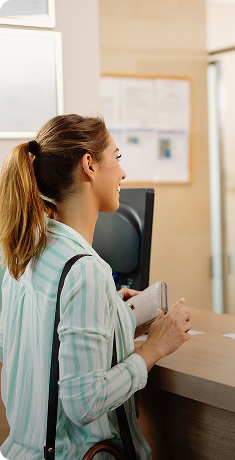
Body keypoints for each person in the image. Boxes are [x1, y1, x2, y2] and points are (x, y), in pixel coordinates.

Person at [0, 114, 192, 459]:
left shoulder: (23, 251)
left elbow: (41, 340)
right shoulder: (84, 270)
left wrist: (113, 309)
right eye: (116, 158)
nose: (122, 173)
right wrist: (154, 349)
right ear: (89, 165)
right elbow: (85, 401)